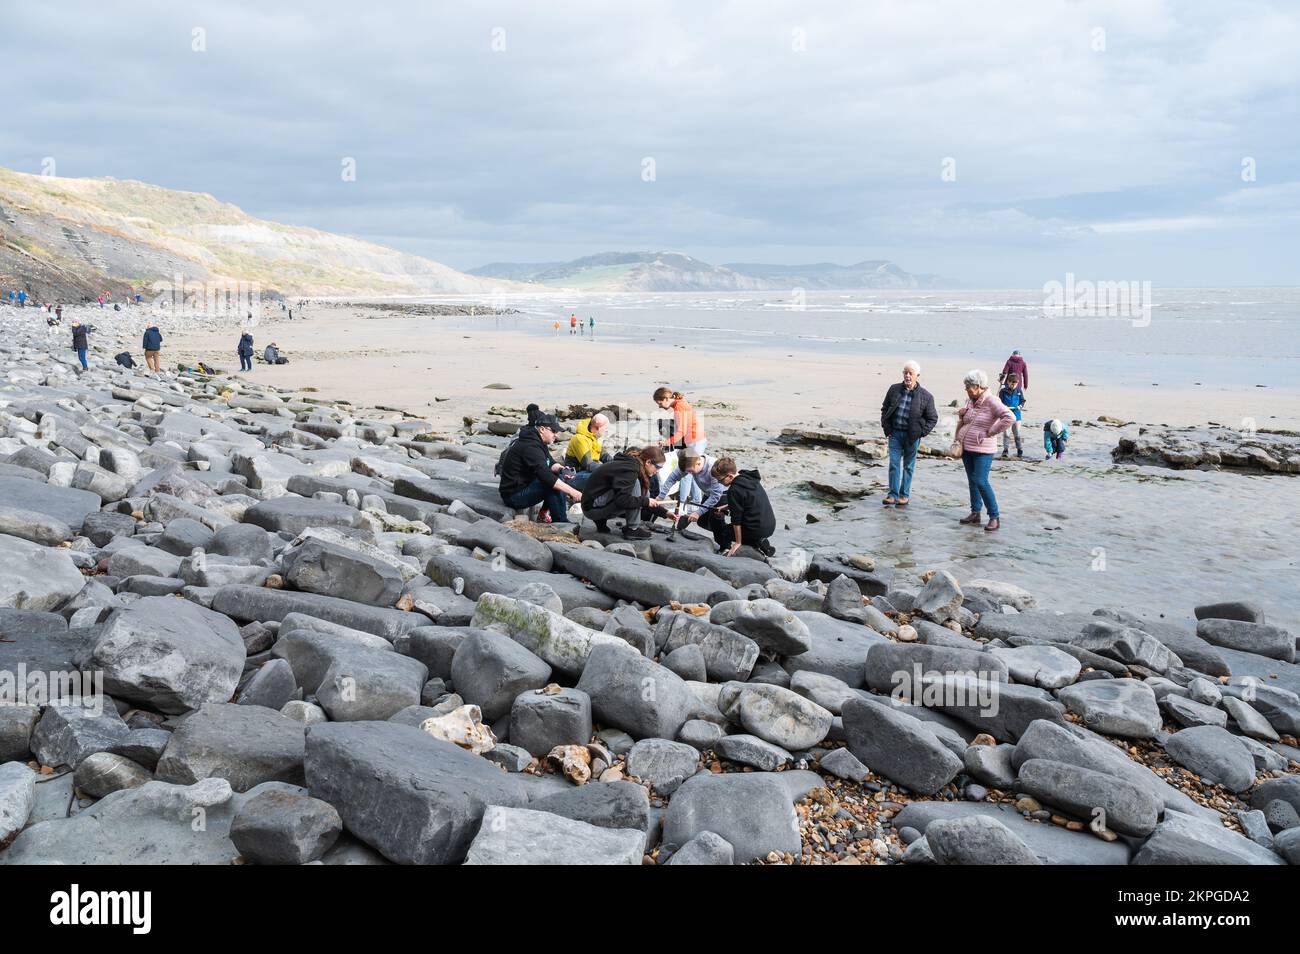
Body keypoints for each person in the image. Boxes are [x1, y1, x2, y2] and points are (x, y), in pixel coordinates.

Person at [497, 412, 584, 523]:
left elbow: (550, 463)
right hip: (513, 496)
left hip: (525, 486)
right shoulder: (530, 446)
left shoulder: (538, 441)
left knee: (558, 476)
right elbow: (546, 476)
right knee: (551, 483)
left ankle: (543, 514)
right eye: (553, 431)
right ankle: (561, 522)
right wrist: (573, 492)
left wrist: (562, 469)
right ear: (542, 429)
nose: (556, 435)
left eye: (556, 432)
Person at [956, 370, 1015, 532]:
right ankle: (975, 513)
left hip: (983, 449)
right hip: (967, 448)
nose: (966, 389)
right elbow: (968, 421)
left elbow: (1009, 417)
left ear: (977, 386)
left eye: (968, 386)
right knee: (972, 481)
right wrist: (962, 415)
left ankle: (994, 516)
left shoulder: (991, 401)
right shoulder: (970, 400)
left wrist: (990, 432)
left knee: (981, 481)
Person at [879, 359, 938, 506]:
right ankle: (892, 494)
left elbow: (933, 418)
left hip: (912, 437)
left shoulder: (926, 396)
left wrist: (921, 433)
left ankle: (904, 495)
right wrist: (887, 428)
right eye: (905, 372)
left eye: (910, 373)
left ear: (917, 375)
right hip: (895, 434)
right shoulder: (894, 389)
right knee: (894, 464)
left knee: (908, 466)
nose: (907, 376)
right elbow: (884, 408)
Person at [581, 445, 666, 540]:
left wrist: (665, 513)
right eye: (658, 467)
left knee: (644, 493)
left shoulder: (632, 464)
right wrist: (646, 501)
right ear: (648, 462)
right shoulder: (630, 469)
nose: (657, 472)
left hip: (593, 504)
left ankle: (601, 521)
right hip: (592, 508)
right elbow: (622, 500)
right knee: (636, 486)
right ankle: (632, 529)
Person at [696, 457, 776, 556]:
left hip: (755, 528)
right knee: (738, 528)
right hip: (770, 525)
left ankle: (726, 549)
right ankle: (759, 542)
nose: (719, 483)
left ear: (729, 476)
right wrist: (726, 506)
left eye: (720, 480)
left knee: (724, 532)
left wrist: (738, 542)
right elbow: (745, 501)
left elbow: (736, 520)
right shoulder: (749, 477)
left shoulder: (734, 490)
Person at [656, 448, 727, 528]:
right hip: (708, 493)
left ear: (698, 462)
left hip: (723, 494)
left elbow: (715, 496)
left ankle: (730, 535)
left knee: (716, 525)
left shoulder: (713, 468)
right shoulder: (687, 463)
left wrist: (698, 512)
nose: (689, 474)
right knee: (701, 522)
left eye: (690, 471)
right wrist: (661, 496)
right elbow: (672, 478)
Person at [653, 387, 707, 453]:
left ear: (666, 399)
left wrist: (666, 442)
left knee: (694, 463)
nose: (659, 406)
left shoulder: (679, 407)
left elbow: (681, 432)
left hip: (695, 442)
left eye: (660, 403)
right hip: (696, 439)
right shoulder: (680, 402)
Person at [997, 372, 1027, 458]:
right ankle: (1005, 450)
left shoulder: (1019, 391)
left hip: (1017, 416)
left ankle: (1019, 450)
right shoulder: (1003, 391)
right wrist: (1004, 407)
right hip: (1006, 416)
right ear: (1008, 382)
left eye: (1015, 383)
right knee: (1006, 433)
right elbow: (999, 402)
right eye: (1012, 383)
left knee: (1016, 433)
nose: (1013, 385)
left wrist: (1020, 406)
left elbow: (1023, 401)